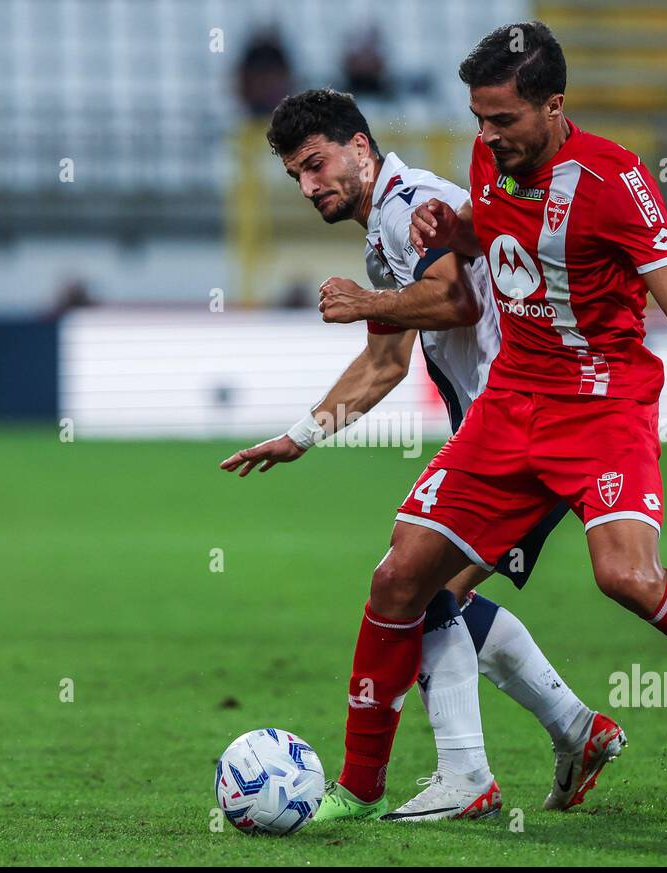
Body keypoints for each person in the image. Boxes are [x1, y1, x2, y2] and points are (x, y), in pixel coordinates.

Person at [318, 21, 667, 826]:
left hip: (603, 405)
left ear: (555, 107)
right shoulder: (492, 157)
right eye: (478, 119)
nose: (486, 136)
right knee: (398, 577)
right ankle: (359, 786)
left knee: (627, 577)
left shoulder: (615, 180)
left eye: (504, 120)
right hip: (512, 400)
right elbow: (495, 229)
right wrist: (458, 232)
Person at [222, 89, 623, 821]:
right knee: (431, 593)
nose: (310, 187)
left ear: (361, 149)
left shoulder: (414, 207)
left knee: (406, 585)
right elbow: (384, 366)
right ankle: (575, 731)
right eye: (295, 177)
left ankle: (466, 777)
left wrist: (367, 302)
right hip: (505, 433)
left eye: (316, 165)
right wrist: (300, 437)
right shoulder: (385, 231)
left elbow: (454, 302)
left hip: (528, 433)